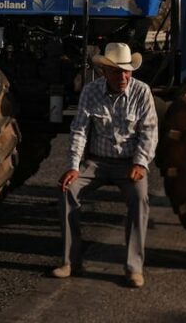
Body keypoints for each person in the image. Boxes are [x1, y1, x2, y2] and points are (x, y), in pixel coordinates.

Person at [53, 42, 158, 288]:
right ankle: (70, 261)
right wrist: (73, 166)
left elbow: (149, 132)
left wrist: (141, 163)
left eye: (127, 71)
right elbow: (79, 130)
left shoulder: (142, 92)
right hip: (96, 163)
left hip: (129, 163)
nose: (123, 76)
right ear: (105, 72)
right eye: (116, 71)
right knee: (68, 189)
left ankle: (134, 267)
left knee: (140, 197)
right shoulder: (90, 92)